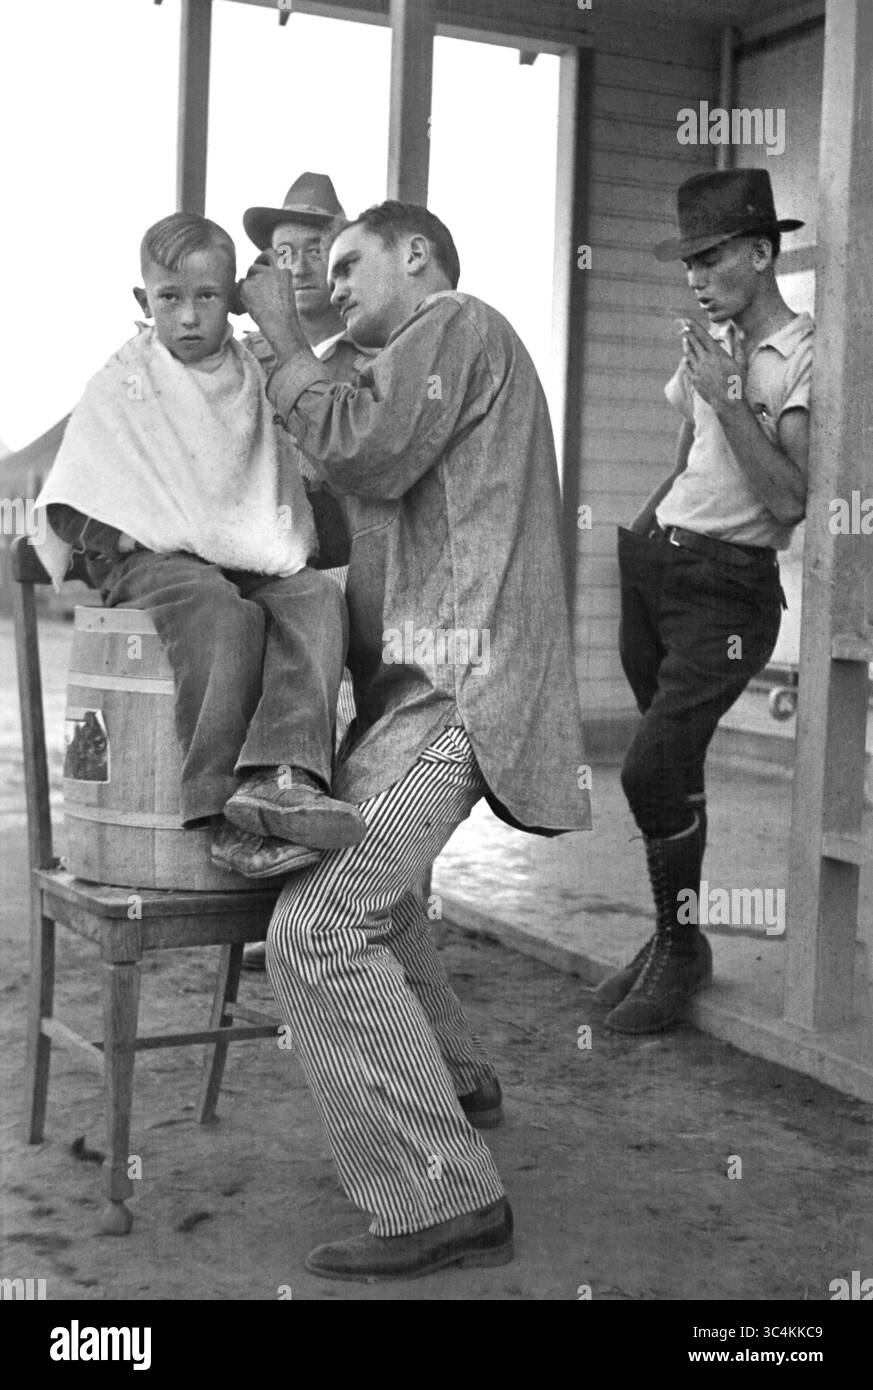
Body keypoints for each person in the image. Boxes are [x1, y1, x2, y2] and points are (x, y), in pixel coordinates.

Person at [240, 200, 591, 1281]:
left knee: (317, 929)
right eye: (321, 269)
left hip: (463, 687)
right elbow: (342, 492)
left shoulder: (458, 325)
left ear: (419, 258)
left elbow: (365, 448)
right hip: (421, 693)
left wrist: (291, 352)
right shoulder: (407, 364)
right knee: (381, 904)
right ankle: (460, 1077)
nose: (332, 282)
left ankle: (445, 1192)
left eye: (351, 263)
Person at [34, 211, 365, 880]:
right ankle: (220, 811)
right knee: (217, 609)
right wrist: (131, 530)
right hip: (150, 562)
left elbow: (279, 492)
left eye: (208, 296)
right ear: (142, 301)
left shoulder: (252, 377)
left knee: (313, 600)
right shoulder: (125, 381)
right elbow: (71, 503)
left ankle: (285, 772)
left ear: (234, 297)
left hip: (244, 555)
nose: (188, 316)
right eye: (169, 298)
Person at [595, 168, 812, 1033]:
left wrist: (729, 396)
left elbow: (792, 499)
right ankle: (671, 939)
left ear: (759, 254)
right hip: (661, 568)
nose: (693, 274)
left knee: (648, 765)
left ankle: (682, 951)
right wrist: (643, 539)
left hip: (729, 591)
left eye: (709, 255)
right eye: (687, 258)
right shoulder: (707, 350)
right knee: (669, 772)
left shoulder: (800, 354)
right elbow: (689, 455)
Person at [239, 172, 366, 966]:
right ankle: (279, 905)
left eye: (315, 249)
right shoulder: (245, 356)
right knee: (282, 730)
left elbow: (351, 462)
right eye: (281, 253)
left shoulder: (367, 352)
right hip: (277, 560)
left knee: (360, 743)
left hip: (352, 561)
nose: (299, 267)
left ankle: (364, 913)